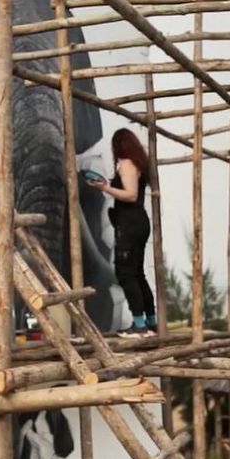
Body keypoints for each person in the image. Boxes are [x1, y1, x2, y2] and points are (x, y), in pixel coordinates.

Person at [86, 128, 157, 336]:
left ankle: (139, 324)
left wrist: (105, 188)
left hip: (129, 225)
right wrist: (107, 185)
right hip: (137, 223)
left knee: (126, 274)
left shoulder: (127, 164)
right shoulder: (138, 164)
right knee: (137, 273)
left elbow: (130, 195)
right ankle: (150, 321)